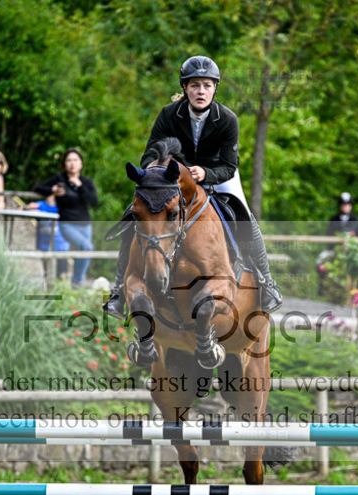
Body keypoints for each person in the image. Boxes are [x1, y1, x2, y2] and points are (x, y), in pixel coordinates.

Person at [104, 55, 283, 319]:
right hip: (173, 180)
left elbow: (229, 166)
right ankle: (119, 290)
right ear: (185, 88)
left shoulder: (227, 119)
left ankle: (267, 283)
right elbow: (147, 156)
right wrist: (160, 168)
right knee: (135, 214)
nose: (201, 91)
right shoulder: (168, 114)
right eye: (195, 85)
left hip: (216, 175)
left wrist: (206, 173)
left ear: (214, 88)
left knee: (246, 216)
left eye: (207, 85)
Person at [34, 149, 98, 287]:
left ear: (81, 163)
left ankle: (75, 284)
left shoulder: (86, 182)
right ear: (64, 164)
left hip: (85, 225)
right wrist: (53, 190)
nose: (72, 163)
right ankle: (77, 282)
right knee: (87, 247)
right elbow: (38, 188)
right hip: (67, 224)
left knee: (81, 254)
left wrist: (79, 186)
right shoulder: (60, 179)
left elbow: (94, 202)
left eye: (75, 160)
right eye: (69, 160)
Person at [27, 194, 70, 281]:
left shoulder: (64, 207)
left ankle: (61, 292)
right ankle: (49, 293)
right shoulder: (40, 205)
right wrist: (27, 207)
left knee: (61, 276)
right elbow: (21, 210)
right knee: (47, 274)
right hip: (45, 246)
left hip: (61, 247)